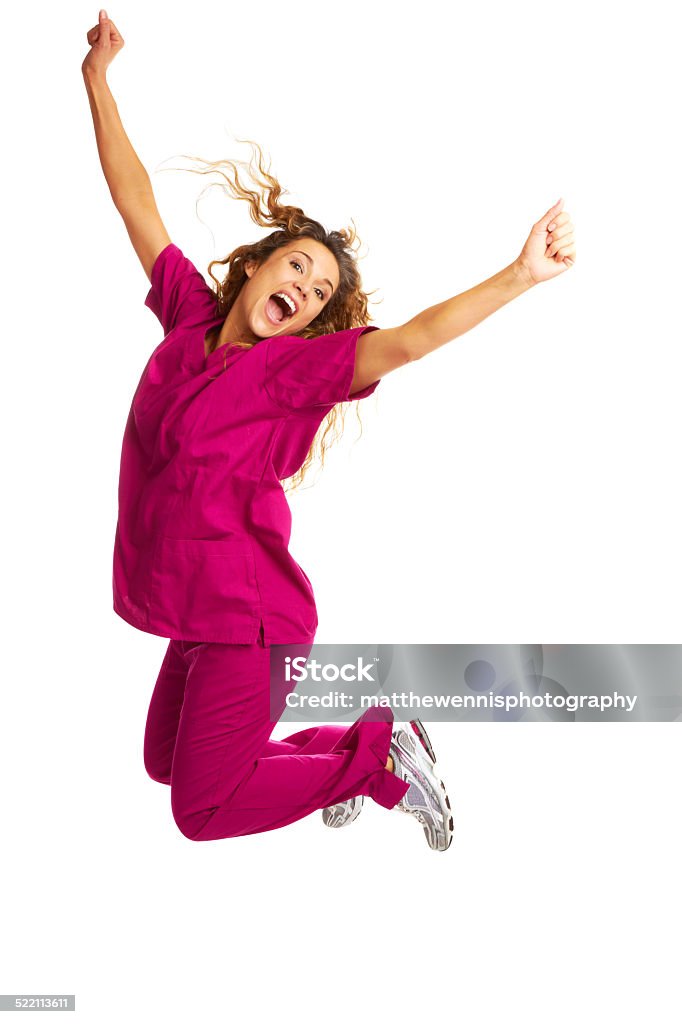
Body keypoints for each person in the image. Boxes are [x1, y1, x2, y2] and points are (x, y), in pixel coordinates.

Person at [82, 11, 575, 854]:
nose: (305, 291)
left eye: (316, 295)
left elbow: (412, 338)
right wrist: (97, 81)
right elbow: (136, 202)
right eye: (296, 269)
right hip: (200, 616)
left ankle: (379, 756)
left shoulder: (290, 374)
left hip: (250, 620)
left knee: (201, 809)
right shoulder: (187, 320)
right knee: (165, 763)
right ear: (255, 267)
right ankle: (362, 752)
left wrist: (519, 275)